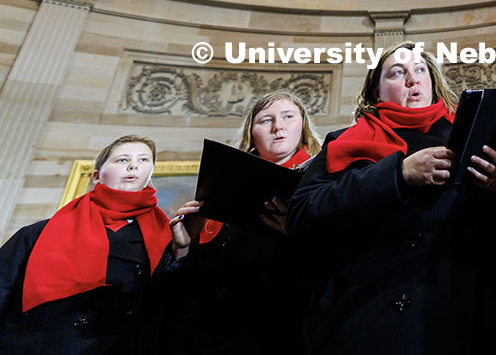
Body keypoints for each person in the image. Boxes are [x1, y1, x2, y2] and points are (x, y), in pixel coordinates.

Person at [287, 42, 496, 355]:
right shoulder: (344, 141)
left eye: (420, 70)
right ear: (376, 92)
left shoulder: (479, 127)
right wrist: (399, 175)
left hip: (485, 318)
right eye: (397, 73)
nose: (413, 79)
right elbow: (304, 214)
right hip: (382, 321)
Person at [169, 89, 321, 355]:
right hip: (207, 336)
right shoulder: (222, 183)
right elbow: (192, 287)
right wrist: (184, 246)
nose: (278, 127)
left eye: (288, 117)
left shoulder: (322, 183)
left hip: (281, 333)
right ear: (251, 131)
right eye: (266, 120)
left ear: (303, 126)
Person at [0, 135, 184, 355]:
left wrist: (181, 250)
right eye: (122, 160)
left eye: (144, 160)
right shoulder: (37, 234)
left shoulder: (167, 239)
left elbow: (172, 309)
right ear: (97, 176)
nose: (134, 165)